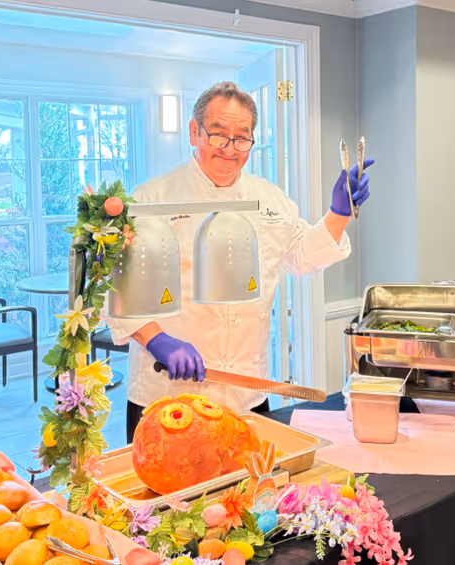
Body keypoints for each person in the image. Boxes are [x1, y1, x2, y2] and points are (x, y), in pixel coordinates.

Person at [104, 82, 372, 440]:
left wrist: (338, 212)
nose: (230, 149)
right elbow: (118, 290)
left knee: (251, 494)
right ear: (194, 131)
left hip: (246, 394)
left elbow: (303, 256)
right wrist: (157, 340)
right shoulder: (152, 199)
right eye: (218, 135)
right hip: (168, 399)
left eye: (242, 138)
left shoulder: (269, 198)